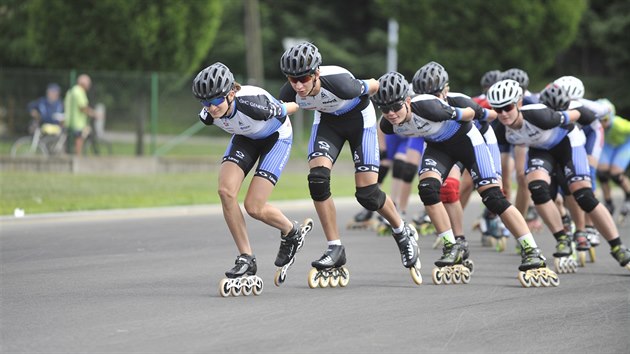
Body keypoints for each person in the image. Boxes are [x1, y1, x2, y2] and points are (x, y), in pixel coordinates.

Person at [375, 71, 556, 287]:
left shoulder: (429, 106)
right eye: (385, 109)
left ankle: (531, 250)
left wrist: (490, 117)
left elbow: (474, 113)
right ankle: (452, 247)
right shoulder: (388, 124)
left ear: (407, 101)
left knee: (493, 197)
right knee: (428, 190)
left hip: (467, 142)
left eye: (395, 107)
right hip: (438, 148)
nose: (391, 114)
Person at [278, 42, 421, 288]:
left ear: (317, 73)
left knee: (368, 194)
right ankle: (335, 248)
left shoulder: (341, 82)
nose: (299, 86)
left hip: (359, 122)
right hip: (327, 124)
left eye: (304, 78)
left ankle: (401, 230)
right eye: (293, 79)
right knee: (318, 181)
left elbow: (375, 84)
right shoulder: (289, 92)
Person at [192, 62, 314, 296]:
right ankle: (246, 257)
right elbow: (215, 112)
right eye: (205, 103)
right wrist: (211, 107)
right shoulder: (208, 113)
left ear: (230, 93)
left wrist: (301, 99)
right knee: (226, 192)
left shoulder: (254, 104)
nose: (211, 108)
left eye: (216, 101)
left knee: (253, 206)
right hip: (245, 137)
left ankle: (292, 232)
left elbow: (292, 107)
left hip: (275, 137)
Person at [487, 79, 630, 273]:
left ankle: (618, 247)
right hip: (541, 150)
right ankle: (562, 239)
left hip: (568, 144)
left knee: (584, 196)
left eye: (508, 107)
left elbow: (582, 114)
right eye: (497, 109)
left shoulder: (540, 115)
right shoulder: (499, 128)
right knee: (536, 188)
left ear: (519, 103)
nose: (503, 113)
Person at [595, 99, 630, 223]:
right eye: (598, 120)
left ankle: (628, 194)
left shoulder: (620, 124)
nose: (601, 123)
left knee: (615, 174)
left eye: (604, 120)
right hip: (609, 146)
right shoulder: (596, 127)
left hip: (624, 145)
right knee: (602, 173)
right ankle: (608, 202)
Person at [64, 74, 95, 155]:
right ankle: (78, 158)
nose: (89, 86)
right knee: (79, 139)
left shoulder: (71, 91)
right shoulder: (79, 92)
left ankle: (69, 153)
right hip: (78, 122)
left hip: (69, 120)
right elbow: (83, 107)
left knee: (70, 141)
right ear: (83, 83)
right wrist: (93, 114)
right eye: (88, 83)